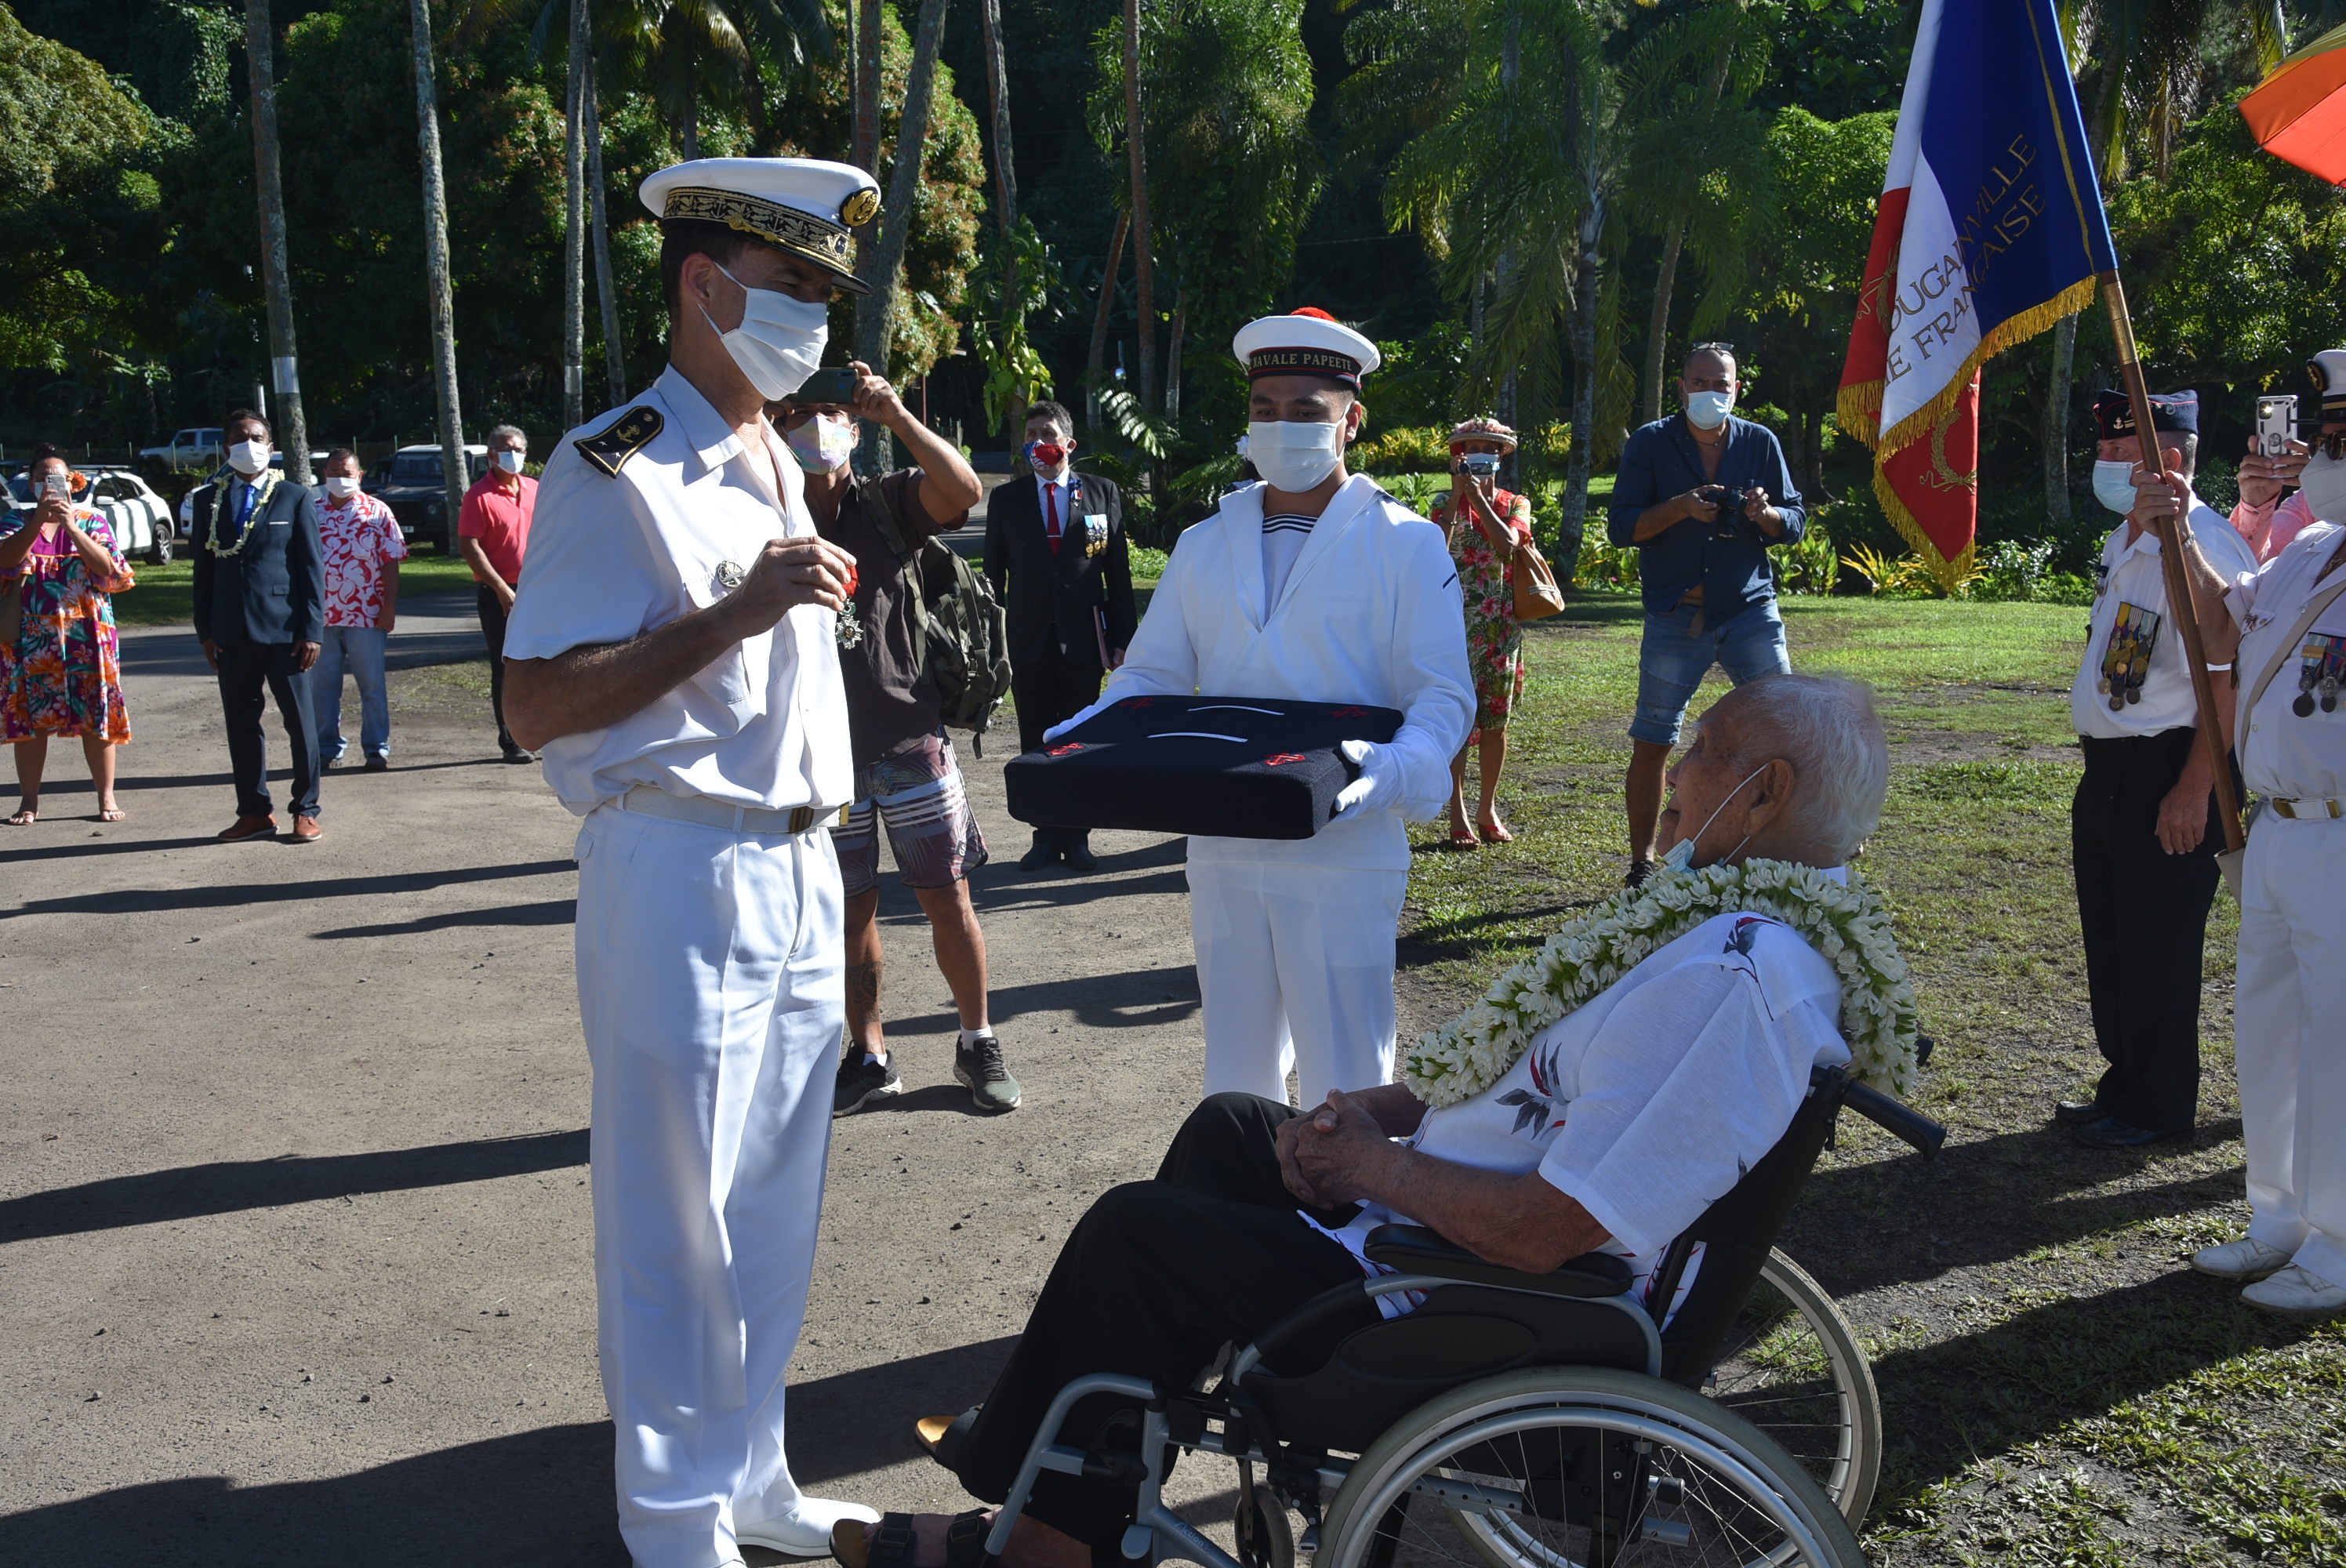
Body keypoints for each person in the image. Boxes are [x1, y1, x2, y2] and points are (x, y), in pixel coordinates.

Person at [830, 673, 1897, 1568]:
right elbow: (1543, 1076)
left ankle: (1045, 1529)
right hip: (1444, 1242)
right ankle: (1071, 1466)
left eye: (1704, 749)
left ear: (1768, 792)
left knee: (1138, 1237)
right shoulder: (1719, 925)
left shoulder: (1731, 984)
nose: (1675, 769)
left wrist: (1377, 1170)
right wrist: (1385, 1112)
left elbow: (1545, 1229)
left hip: (1478, 1301)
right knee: (1233, 1129)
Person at [499, 154, 883, 1568]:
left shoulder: (778, 455)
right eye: (792, 291)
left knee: (774, 1198)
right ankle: (669, 1518)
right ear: (704, 285)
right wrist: (729, 615)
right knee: (674, 1209)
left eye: (825, 300)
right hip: (676, 866)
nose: (814, 325)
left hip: (796, 862)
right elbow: (532, 700)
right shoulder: (613, 463)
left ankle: (752, 1476)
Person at [1059, 307, 1474, 1109]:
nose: (1281, 426)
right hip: (1224, 838)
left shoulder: (1404, 541)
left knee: (1346, 1083)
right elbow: (1152, 670)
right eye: (1265, 409)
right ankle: (1245, 1217)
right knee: (1235, 1078)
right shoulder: (1204, 542)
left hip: (1342, 844)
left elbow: (1442, 692)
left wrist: (1398, 770)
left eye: (1305, 411)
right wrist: (1098, 725)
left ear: (1352, 420)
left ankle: (1341, 1231)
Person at [779, 363, 1017, 1116]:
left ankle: (977, 1040)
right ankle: (871, 1052)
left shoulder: (882, 502)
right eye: (802, 413)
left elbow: (964, 492)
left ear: (853, 428)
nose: (819, 427)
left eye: (834, 412)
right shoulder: (765, 516)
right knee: (850, 911)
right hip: (821, 761)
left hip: (909, 740)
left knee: (947, 898)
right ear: (778, 426)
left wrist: (894, 417)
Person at [2177, 347, 2346, 1317]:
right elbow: (2218, 630)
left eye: (2338, 440)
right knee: (2270, 1031)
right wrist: (2181, 534)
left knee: (2337, 1041)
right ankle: (2278, 1218)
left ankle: (2336, 1238)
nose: (2323, 454)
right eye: (2323, 436)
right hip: (2280, 831)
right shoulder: (2313, 549)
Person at [2057, 389, 2257, 1149]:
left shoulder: (2204, 546)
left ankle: (2159, 1103)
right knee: (2112, 941)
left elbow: (2226, 674)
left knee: (2158, 948)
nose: (2104, 465)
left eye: (2119, 453)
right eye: (2103, 451)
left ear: (2166, 460)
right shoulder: (2125, 537)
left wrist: (2194, 788)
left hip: (2168, 769)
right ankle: (2124, 1085)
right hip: (2109, 769)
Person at [1607, 343, 1805, 887]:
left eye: (1722, 385)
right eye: (1701, 382)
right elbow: (1622, 527)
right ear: (1681, 387)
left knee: (1787, 734)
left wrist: (1764, 514)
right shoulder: (1651, 443)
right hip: (1677, 613)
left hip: (1749, 610)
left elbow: (1795, 522)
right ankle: (1643, 863)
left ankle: (1789, 853)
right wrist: (1680, 507)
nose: (1712, 393)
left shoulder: (1759, 441)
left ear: (1737, 389)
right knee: (1653, 740)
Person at [983, 399, 1136, 869]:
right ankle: (1045, 834)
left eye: (1046, 434)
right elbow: (992, 576)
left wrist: (1123, 637)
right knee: (1036, 738)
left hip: (1082, 639)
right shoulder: (1006, 499)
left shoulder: (1101, 493)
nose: (1038, 444)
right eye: (1030, 436)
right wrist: (993, 640)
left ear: (1067, 442)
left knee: (1078, 736)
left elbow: (1117, 572)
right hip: (1028, 640)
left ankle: (1078, 834)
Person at [188, 409, 325, 843]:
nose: (250, 444)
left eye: (258, 437)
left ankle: (306, 809)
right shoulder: (207, 499)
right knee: (242, 726)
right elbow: (203, 570)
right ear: (227, 448)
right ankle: (254, 811)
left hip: (285, 633)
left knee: (300, 725)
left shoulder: (294, 496)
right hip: (230, 633)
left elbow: (311, 569)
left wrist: (313, 630)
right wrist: (205, 632)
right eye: (241, 438)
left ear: (271, 444)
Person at [2, 445, 134, 824]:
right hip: (29, 638)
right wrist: (37, 521)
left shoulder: (93, 521)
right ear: (32, 484)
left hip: (87, 635)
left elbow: (107, 566)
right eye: (42, 478)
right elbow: (5, 558)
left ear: (73, 482)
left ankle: (106, 798)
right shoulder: (15, 519)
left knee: (98, 712)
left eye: (57, 477)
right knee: (30, 720)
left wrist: (71, 526)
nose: (50, 484)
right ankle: (29, 801)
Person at [1427, 416, 1535, 848]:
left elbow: (1508, 545)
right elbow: (1435, 548)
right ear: (1458, 457)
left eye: (1488, 450)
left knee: (1495, 723)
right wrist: (1458, 498)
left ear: (1501, 457)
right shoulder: (1442, 501)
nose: (1480, 456)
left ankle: (1486, 806)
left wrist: (1481, 499)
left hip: (1499, 627)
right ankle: (1456, 811)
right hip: (1453, 625)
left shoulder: (1514, 503)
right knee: (1458, 722)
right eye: (1470, 449)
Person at [310, 447, 407, 771]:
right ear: (325, 475)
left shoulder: (377, 512)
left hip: (367, 615)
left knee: (372, 685)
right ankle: (327, 748)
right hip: (321, 618)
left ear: (360, 476)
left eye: (347, 474)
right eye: (334, 473)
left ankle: (376, 748)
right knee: (323, 688)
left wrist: (389, 606)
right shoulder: (310, 512)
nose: (340, 479)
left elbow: (390, 562)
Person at [459, 423, 538, 763]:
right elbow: (469, 545)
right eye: (506, 449)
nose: (513, 455)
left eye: (519, 449)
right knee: (507, 666)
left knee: (544, 661)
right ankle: (511, 739)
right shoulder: (478, 496)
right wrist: (502, 589)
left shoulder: (536, 488)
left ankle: (542, 731)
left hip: (538, 590)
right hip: (499, 594)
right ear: (492, 454)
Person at [2228, 354, 2341, 561]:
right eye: (2321, 444)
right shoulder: (2309, 500)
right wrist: (2256, 507)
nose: (2326, 456)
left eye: (2338, 444)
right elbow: (2250, 572)